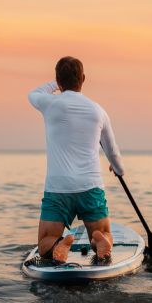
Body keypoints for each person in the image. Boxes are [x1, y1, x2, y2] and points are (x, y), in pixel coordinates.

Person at [28, 56, 125, 263]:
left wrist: (55, 83)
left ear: (58, 80)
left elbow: (33, 94)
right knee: (104, 232)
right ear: (83, 79)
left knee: (44, 243)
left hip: (58, 188)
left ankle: (57, 245)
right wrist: (118, 168)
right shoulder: (98, 111)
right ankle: (99, 239)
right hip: (90, 186)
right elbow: (112, 151)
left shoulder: (50, 103)